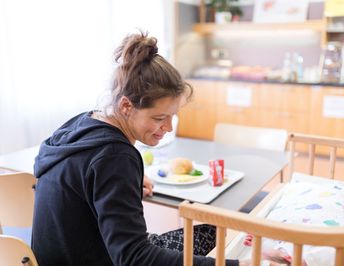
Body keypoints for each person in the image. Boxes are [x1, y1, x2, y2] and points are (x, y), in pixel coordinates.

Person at [32, 31, 249, 266]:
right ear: (126, 106)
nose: (167, 127)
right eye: (158, 118)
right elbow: (135, 258)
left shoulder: (81, 124)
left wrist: (125, 182)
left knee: (211, 232)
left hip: (58, 257)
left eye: (172, 117)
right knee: (219, 237)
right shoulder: (115, 157)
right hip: (105, 258)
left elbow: (78, 178)